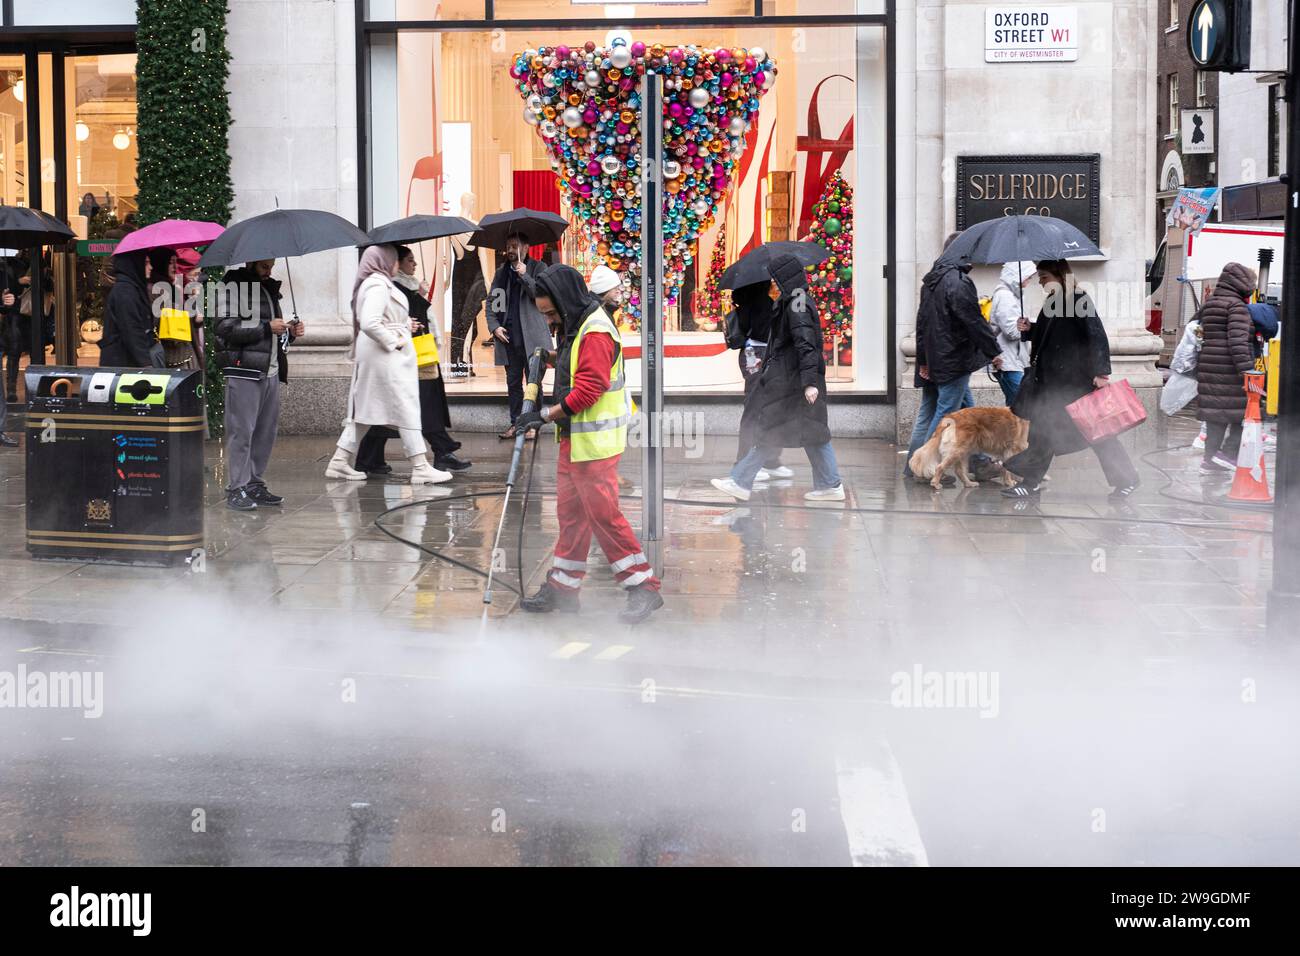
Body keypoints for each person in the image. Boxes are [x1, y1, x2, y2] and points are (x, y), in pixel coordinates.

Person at [513, 264, 663, 625]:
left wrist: (544, 415)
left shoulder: (595, 331)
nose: (549, 321)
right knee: (572, 516)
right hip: (576, 442)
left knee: (604, 516)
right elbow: (575, 366)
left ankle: (643, 586)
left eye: (551, 313)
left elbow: (590, 389)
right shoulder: (578, 324)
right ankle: (563, 588)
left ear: (564, 302)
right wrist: (549, 357)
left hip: (594, 446)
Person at [710, 253, 845, 502]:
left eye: (776, 277)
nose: (773, 281)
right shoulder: (793, 300)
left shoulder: (797, 303)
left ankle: (741, 481)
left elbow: (805, 343)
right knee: (806, 433)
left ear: (785, 277)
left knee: (778, 430)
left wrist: (810, 382)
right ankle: (829, 484)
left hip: (792, 381)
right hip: (789, 379)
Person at [1002, 259, 1140, 500]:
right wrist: (1029, 329)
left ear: (1058, 275)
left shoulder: (1078, 299)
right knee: (1042, 433)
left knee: (1100, 435)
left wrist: (1101, 372)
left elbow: (1096, 335)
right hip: (1051, 384)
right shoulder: (1052, 302)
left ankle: (1126, 479)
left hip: (1074, 383)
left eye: (1044, 276)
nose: (1041, 282)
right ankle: (1030, 483)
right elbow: (1050, 336)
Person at [326, 244, 450, 485]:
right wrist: (395, 340)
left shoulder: (375, 283)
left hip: (378, 357)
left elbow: (378, 320)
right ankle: (420, 465)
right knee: (406, 406)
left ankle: (339, 461)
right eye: (393, 259)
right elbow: (371, 322)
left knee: (365, 411)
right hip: (384, 358)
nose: (396, 264)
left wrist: (401, 326)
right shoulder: (377, 284)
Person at [355, 244, 472, 475]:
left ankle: (370, 458)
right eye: (408, 260)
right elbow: (374, 322)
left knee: (391, 410)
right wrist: (404, 326)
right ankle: (438, 453)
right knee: (419, 406)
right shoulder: (384, 286)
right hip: (406, 354)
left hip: (415, 350)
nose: (414, 264)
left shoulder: (401, 286)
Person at [902, 235, 1001, 480]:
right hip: (954, 361)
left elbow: (922, 323)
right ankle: (923, 469)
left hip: (936, 360)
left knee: (944, 411)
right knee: (945, 416)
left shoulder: (932, 281)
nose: (976, 259)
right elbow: (973, 322)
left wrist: (923, 361)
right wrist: (994, 352)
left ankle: (978, 462)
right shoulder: (958, 282)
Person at [215, 259, 304, 510]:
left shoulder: (269, 289)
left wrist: (290, 333)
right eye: (264, 267)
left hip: (270, 370)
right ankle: (237, 487)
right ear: (252, 263)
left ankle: (254, 483)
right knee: (241, 431)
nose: (269, 271)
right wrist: (267, 327)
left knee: (265, 432)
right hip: (244, 370)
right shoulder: (232, 286)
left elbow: (275, 337)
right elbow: (223, 327)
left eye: (271, 266)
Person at [1195, 263, 1259, 472]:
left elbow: (1195, 329)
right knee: (1244, 416)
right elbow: (1238, 343)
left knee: (1216, 417)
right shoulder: (1236, 307)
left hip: (1208, 367)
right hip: (1229, 371)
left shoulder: (1211, 303)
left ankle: (1210, 459)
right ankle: (1228, 454)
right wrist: (1248, 371)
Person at [487, 233, 551, 439]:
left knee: (534, 384)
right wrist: (495, 327)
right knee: (513, 383)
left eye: (515, 246)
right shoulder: (501, 273)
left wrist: (524, 275)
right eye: (508, 246)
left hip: (533, 339)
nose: (511, 250)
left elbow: (541, 296)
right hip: (509, 339)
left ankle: (532, 425)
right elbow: (492, 302)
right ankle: (516, 423)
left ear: (526, 247)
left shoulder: (538, 268)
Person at [727, 279, 790, 481]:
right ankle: (747, 461)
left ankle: (768, 460)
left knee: (764, 408)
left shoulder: (746, 302)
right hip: (760, 357)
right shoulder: (762, 303)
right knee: (758, 410)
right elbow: (766, 333)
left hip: (752, 356)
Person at [100, 251, 163, 368]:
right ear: (135, 265)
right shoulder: (125, 292)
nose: (151, 267)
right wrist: (146, 363)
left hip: (127, 361)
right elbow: (132, 328)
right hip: (123, 363)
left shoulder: (133, 287)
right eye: (146, 263)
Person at [987, 260, 1036, 405]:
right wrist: (1027, 326)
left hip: (1013, 360)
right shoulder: (1005, 296)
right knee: (1021, 406)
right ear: (1017, 275)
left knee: (1016, 406)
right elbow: (1011, 332)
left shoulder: (1013, 296)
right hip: (1008, 361)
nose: (1029, 281)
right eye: (1027, 276)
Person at [148, 248, 203, 370]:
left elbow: (193, 321)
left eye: (175, 262)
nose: (174, 266)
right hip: (171, 356)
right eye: (170, 262)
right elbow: (157, 322)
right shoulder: (153, 289)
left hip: (185, 352)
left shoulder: (173, 287)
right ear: (160, 263)